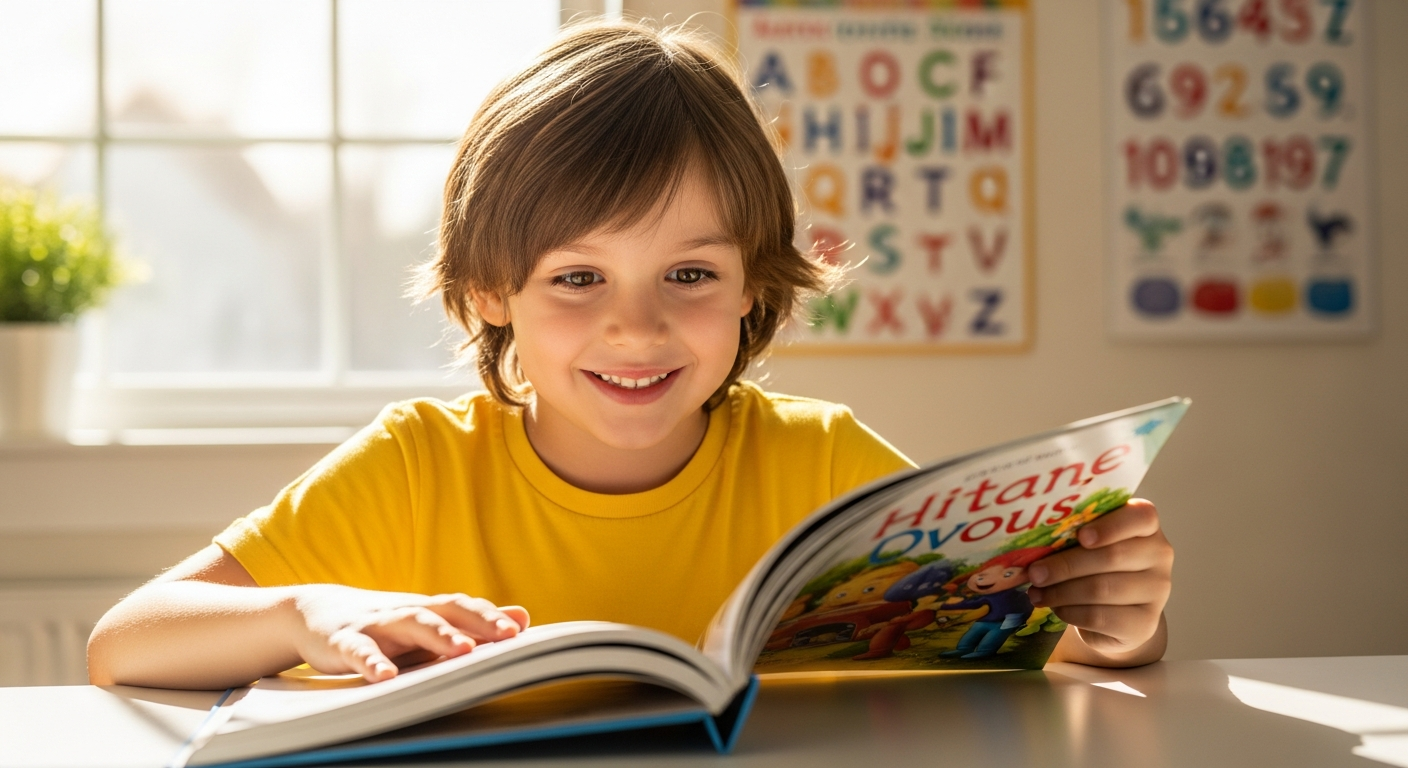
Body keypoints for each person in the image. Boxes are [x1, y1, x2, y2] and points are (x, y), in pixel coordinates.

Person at [86, 21, 1174, 690]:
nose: (637, 328)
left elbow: (1049, 642)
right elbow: (124, 642)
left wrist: (1121, 627)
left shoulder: (821, 461)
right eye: (577, 279)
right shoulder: (416, 465)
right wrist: (305, 611)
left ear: (752, 286)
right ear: (490, 290)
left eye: (689, 275)